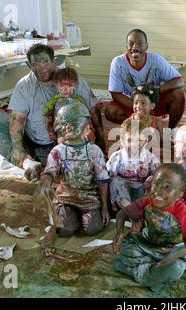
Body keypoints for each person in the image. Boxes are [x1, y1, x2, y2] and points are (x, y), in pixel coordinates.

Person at [0, 43, 105, 171]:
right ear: (30, 66)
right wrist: (17, 146)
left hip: (64, 142)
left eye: (45, 61)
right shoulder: (24, 85)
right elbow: (17, 119)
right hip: (31, 139)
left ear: (54, 61)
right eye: (35, 64)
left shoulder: (72, 80)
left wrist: (100, 140)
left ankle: (45, 163)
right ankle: (28, 163)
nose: (41, 68)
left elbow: (93, 110)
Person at [112, 163, 186, 292]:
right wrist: (119, 232)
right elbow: (122, 213)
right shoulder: (147, 201)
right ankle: (152, 276)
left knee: (175, 268)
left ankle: (137, 271)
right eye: (157, 183)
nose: (159, 191)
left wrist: (176, 253)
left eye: (167, 187)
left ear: (178, 195)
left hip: (170, 251)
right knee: (123, 247)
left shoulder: (183, 212)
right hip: (147, 243)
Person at [39, 102, 110, 238]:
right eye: (63, 124)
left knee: (93, 229)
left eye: (71, 124)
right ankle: (68, 214)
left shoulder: (94, 151)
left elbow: (102, 181)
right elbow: (50, 172)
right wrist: (45, 180)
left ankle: (80, 217)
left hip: (89, 198)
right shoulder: (58, 151)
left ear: (85, 127)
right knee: (65, 230)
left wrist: (104, 208)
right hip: (66, 198)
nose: (66, 128)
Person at [104, 29, 185, 129]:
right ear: (126, 46)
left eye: (140, 43)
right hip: (133, 104)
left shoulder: (156, 60)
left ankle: (170, 130)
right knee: (110, 110)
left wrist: (157, 89)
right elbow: (115, 94)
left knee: (178, 94)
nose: (135, 47)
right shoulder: (118, 63)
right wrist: (137, 105)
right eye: (131, 43)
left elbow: (179, 81)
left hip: (154, 103)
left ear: (146, 46)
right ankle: (143, 127)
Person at [107, 119, 160, 212]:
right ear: (122, 141)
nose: (134, 144)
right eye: (129, 140)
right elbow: (109, 175)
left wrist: (151, 179)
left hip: (142, 192)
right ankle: (130, 210)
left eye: (139, 140)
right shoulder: (117, 157)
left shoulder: (150, 158)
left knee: (155, 180)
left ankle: (144, 210)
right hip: (123, 194)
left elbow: (159, 175)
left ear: (146, 141)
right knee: (115, 181)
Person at [42, 67, 94, 144]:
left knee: (90, 137)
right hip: (62, 130)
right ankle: (64, 155)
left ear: (75, 85)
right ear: (56, 85)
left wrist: (90, 127)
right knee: (61, 141)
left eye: (70, 85)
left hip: (79, 128)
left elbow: (85, 115)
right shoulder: (54, 101)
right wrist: (50, 131)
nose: (65, 89)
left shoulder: (79, 100)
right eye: (62, 86)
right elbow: (48, 116)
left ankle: (89, 154)